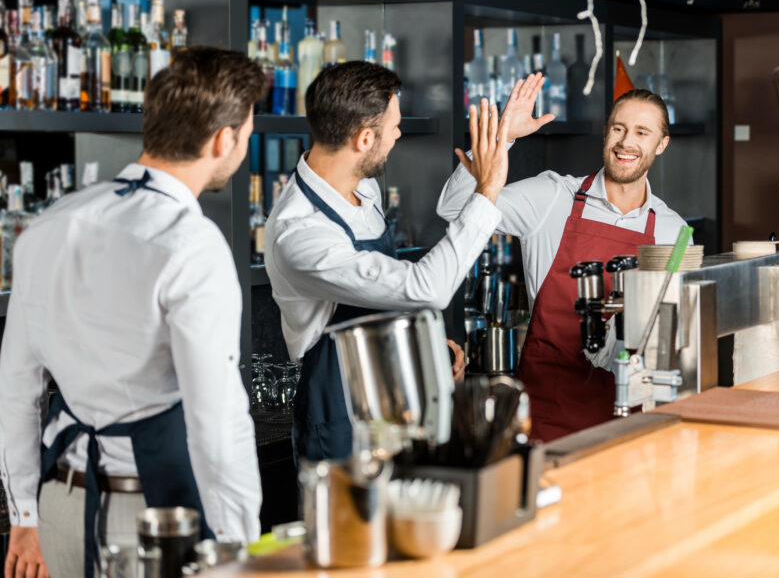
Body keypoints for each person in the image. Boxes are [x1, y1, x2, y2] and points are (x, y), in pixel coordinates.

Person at [0, 48, 265, 578]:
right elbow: (216, 419)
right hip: (151, 520)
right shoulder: (191, 243)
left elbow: (16, 387)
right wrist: (239, 545)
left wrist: (24, 514)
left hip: (58, 510)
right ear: (224, 140)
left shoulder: (52, 222)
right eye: (248, 135)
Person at [264, 61, 509, 464]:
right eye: (394, 125)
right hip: (342, 411)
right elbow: (424, 287)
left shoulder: (363, 186)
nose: (398, 133)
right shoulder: (301, 233)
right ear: (363, 138)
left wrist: (421, 343)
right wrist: (490, 189)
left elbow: (386, 288)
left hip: (394, 390)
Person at [437, 75, 689, 442]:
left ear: (661, 144)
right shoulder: (553, 197)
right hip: (547, 414)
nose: (626, 142)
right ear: (606, 133)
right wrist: (504, 136)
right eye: (618, 128)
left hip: (631, 420)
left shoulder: (673, 231)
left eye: (641, 132)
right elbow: (453, 206)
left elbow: (673, 339)